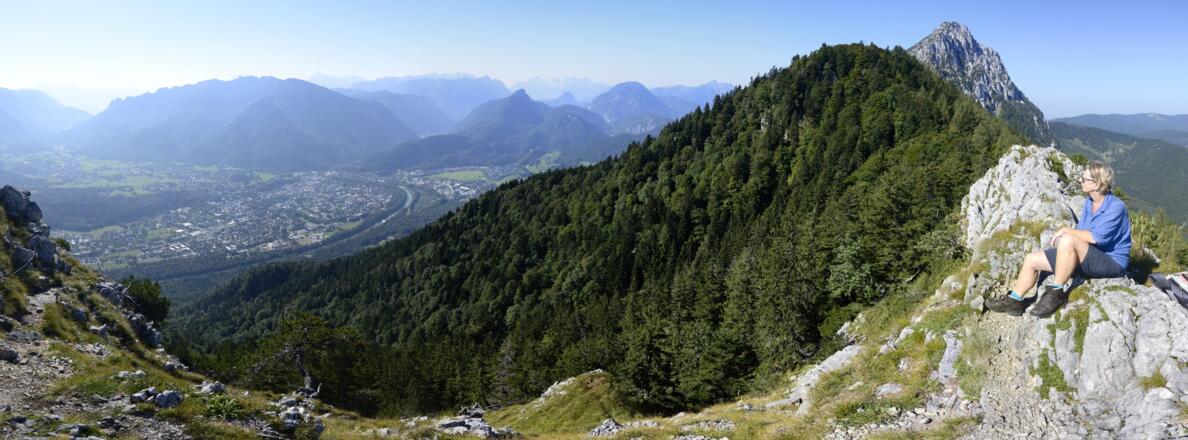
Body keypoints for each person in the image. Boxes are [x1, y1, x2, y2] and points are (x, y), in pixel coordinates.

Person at [986, 161, 1131, 317]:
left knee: (1068, 239)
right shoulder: (1090, 202)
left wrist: (1065, 232)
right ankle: (1014, 301)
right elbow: (1082, 231)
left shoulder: (1116, 207)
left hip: (1111, 262)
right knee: (1032, 260)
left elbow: (1097, 238)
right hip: (1089, 255)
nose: (1080, 181)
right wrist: (1066, 242)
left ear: (1097, 184)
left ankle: (1056, 293)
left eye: (1084, 179)